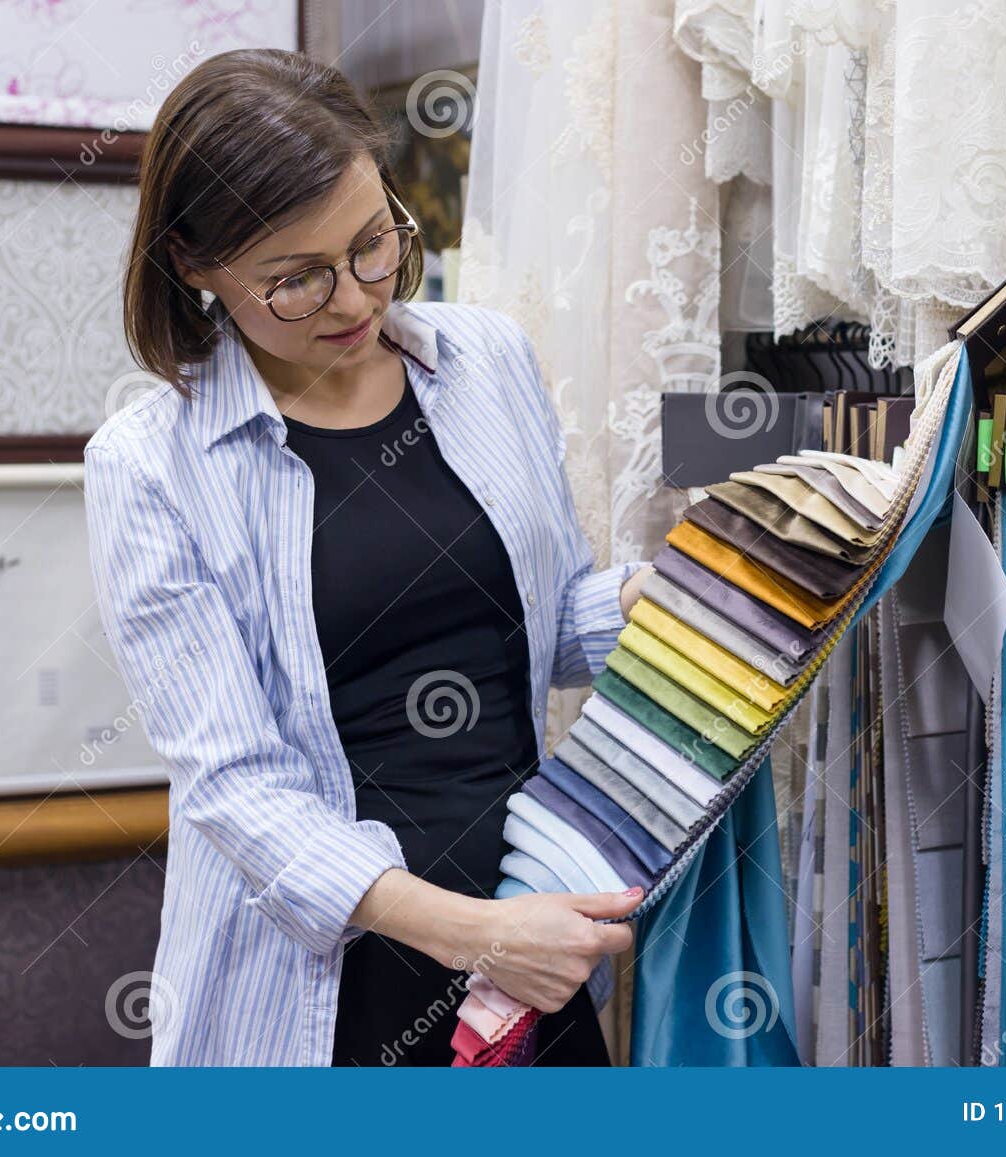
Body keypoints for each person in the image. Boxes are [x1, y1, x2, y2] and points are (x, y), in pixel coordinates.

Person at [88, 49, 650, 1066]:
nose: (353, 299)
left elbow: (548, 619)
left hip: (530, 919)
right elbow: (235, 785)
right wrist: (473, 934)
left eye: (373, 243)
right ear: (191, 263)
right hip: (327, 977)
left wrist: (666, 598)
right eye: (296, 279)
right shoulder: (151, 463)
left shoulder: (485, 360)